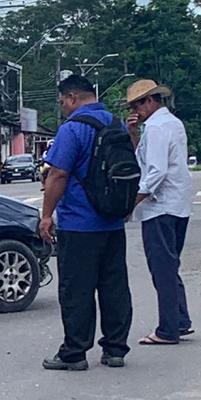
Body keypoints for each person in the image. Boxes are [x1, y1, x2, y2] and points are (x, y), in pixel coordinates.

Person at [39, 74, 133, 371]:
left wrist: (46, 215)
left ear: (72, 98)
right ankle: (115, 350)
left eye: (62, 102)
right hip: (113, 222)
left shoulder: (73, 129)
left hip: (80, 224)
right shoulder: (116, 124)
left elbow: (58, 175)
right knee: (114, 287)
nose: (63, 108)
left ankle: (75, 353)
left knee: (76, 290)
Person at [125, 79, 194, 346]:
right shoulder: (171, 123)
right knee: (170, 264)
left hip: (159, 206)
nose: (136, 110)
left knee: (162, 268)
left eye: (138, 104)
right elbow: (146, 160)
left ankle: (168, 329)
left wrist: (132, 202)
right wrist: (133, 136)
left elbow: (155, 171)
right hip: (177, 203)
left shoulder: (155, 127)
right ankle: (180, 319)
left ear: (151, 101)